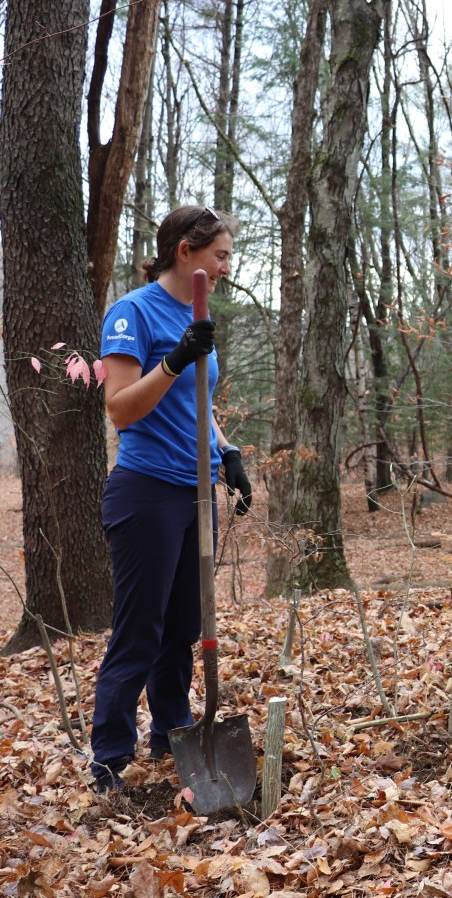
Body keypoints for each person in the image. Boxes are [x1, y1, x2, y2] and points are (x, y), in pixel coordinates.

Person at [89, 205, 253, 793]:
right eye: (221, 255)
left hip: (194, 495)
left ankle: (173, 735)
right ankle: (108, 760)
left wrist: (227, 453)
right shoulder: (132, 313)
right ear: (186, 251)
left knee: (182, 626)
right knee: (140, 630)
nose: (227, 267)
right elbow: (121, 407)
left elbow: (197, 406)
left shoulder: (197, 313)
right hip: (146, 492)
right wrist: (175, 357)